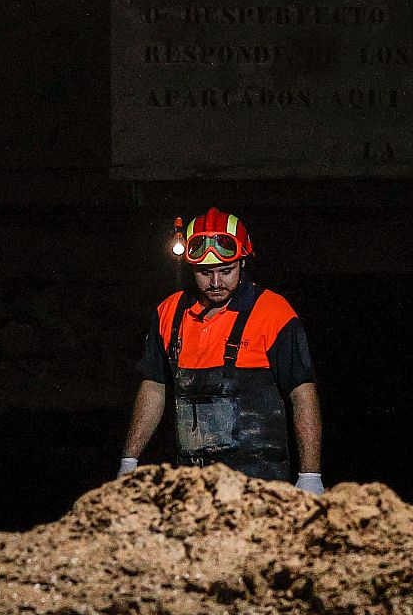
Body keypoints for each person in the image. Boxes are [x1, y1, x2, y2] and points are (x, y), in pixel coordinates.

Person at [118, 208, 326, 494]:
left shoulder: (274, 313)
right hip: (193, 488)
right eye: (205, 273)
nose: (216, 283)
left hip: (260, 488)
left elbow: (302, 392)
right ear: (190, 269)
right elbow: (154, 386)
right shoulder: (169, 313)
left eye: (226, 271)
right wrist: (129, 461)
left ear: (242, 261)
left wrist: (310, 475)